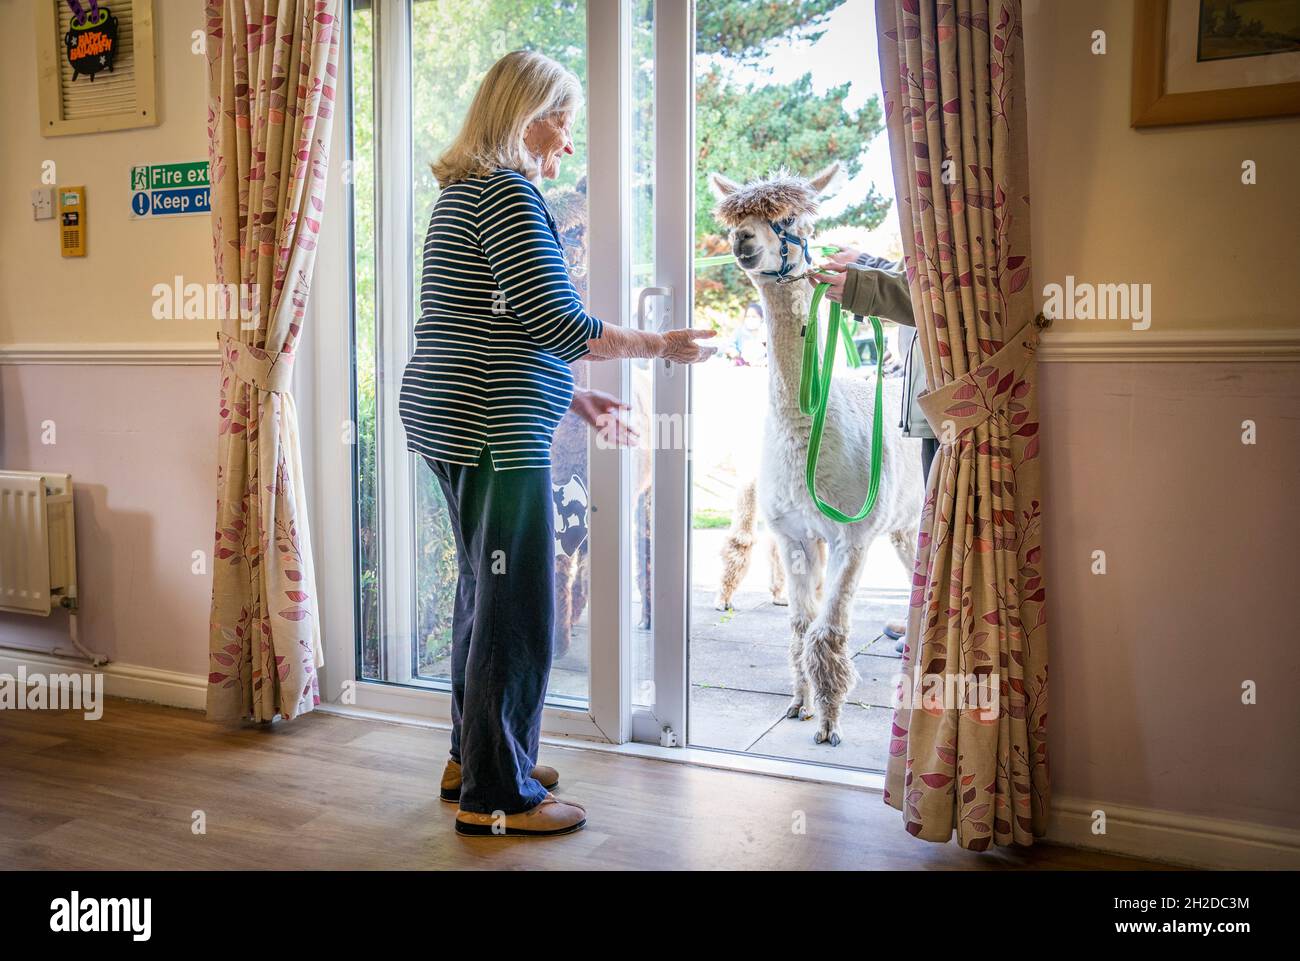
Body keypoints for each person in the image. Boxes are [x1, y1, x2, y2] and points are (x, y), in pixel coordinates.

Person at [398, 50, 716, 838]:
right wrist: (659, 345)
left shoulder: (460, 194)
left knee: (484, 589)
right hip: (491, 432)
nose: (565, 144)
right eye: (560, 122)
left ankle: (474, 757)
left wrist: (572, 393)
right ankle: (496, 797)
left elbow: (483, 328)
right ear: (521, 115)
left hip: (455, 417)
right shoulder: (506, 193)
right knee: (519, 606)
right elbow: (558, 323)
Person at [807, 248, 936, 651]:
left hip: (947, 399)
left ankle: (935, 629)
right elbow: (918, 277)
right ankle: (930, 616)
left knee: (942, 517)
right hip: (934, 397)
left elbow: (940, 294)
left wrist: (864, 284)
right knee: (937, 520)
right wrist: (868, 263)